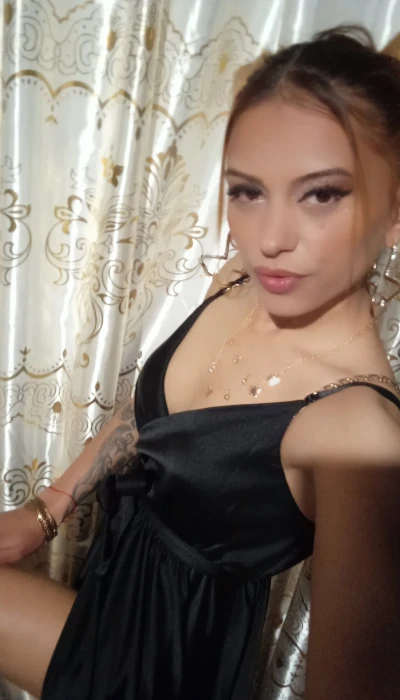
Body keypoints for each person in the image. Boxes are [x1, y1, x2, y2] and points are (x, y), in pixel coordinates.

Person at [1, 24, 400, 700]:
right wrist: (45, 510)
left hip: (160, 672)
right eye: (248, 190)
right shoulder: (238, 281)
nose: (269, 238)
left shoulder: (360, 435)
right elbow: (147, 421)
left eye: (322, 194)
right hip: (106, 601)